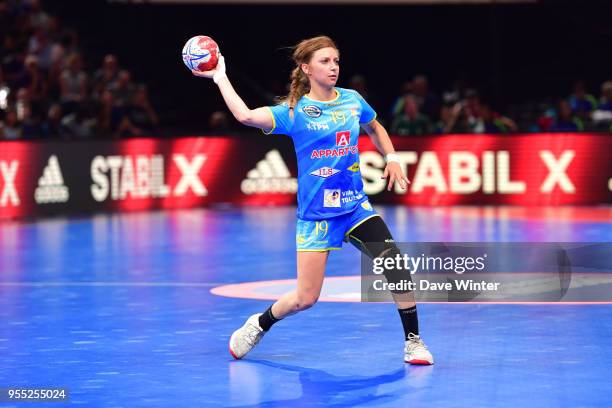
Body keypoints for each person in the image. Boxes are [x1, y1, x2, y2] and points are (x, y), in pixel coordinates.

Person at [191, 36, 433, 365]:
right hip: (317, 216)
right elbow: (245, 116)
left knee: (396, 265)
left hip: (354, 207)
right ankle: (258, 325)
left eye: (336, 61)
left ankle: (413, 342)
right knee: (305, 298)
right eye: (325, 62)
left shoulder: (352, 100)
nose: (333, 67)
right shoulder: (294, 112)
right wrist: (220, 75)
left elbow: (374, 126)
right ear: (306, 68)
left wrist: (391, 157)